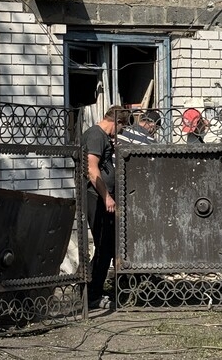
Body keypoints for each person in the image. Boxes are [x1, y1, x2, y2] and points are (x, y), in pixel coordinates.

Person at [83, 105, 128, 309]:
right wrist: (106, 197)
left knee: (106, 245)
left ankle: (89, 287)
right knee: (103, 245)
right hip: (96, 198)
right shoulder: (95, 135)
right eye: (122, 127)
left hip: (102, 198)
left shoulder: (103, 137)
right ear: (116, 122)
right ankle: (92, 295)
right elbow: (92, 170)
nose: (121, 131)